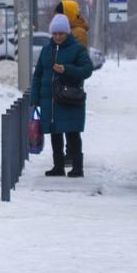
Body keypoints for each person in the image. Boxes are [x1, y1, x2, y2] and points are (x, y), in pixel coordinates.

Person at [32, 11, 93, 177]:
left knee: (72, 134)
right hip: (50, 100)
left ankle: (77, 168)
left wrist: (67, 69)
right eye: (55, 33)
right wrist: (34, 99)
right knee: (55, 133)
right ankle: (58, 167)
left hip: (70, 99)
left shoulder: (77, 50)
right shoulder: (46, 50)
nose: (58, 37)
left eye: (61, 33)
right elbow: (37, 75)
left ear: (67, 33)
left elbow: (87, 70)